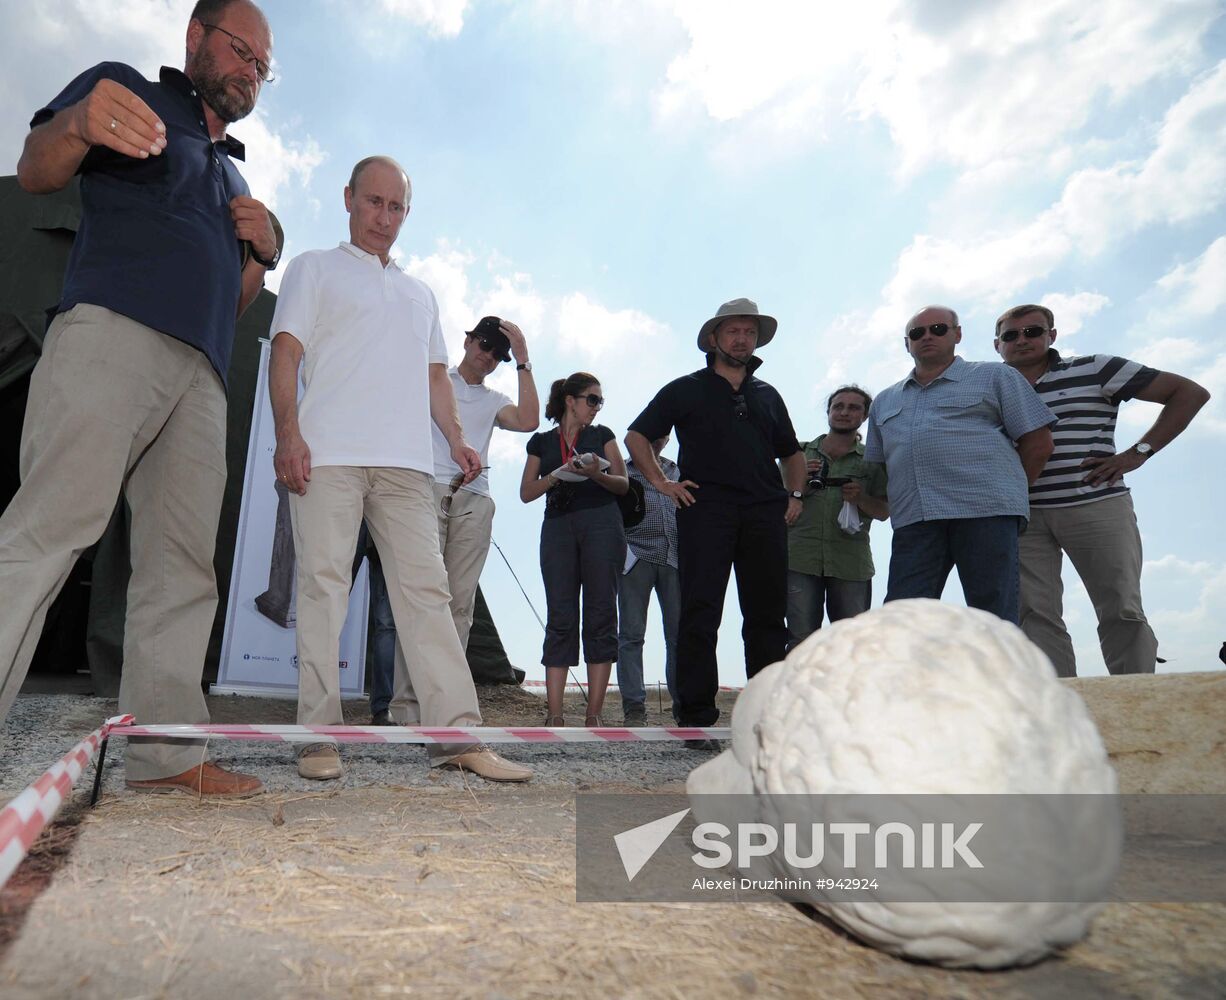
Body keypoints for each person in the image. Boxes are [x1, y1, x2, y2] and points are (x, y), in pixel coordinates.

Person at [0, 0, 278, 797]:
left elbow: (227, 301)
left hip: (202, 374)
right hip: (113, 331)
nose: (250, 72)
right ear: (196, 38)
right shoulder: (126, 91)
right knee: (51, 528)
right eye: (240, 51)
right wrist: (79, 123)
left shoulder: (235, 176)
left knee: (183, 569)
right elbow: (34, 169)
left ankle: (165, 757)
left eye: (262, 67)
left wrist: (260, 251)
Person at [268, 155, 531, 783]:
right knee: (324, 588)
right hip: (328, 455)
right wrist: (288, 434)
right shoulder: (313, 269)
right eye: (373, 202)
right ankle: (319, 736)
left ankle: (455, 737)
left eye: (396, 207)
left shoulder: (420, 293)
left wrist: (459, 439)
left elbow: (436, 376)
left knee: (429, 598)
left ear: (406, 214)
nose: (384, 217)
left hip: (409, 469)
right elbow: (286, 352)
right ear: (349, 199)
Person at [626, 298, 805, 748]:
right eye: (733, 331)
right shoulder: (685, 389)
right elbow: (636, 435)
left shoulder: (768, 394)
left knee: (767, 616)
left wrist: (796, 494)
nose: (742, 338)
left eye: (749, 332)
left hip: (765, 512)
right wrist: (661, 483)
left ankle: (765, 720)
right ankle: (697, 719)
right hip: (706, 511)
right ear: (714, 339)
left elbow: (793, 452)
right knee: (700, 612)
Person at [995, 303, 1209, 675]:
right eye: (1011, 335)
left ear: (1052, 336)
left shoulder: (1096, 368)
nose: (1022, 341)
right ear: (998, 345)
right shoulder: (988, 386)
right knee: (1034, 614)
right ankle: (1060, 703)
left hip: (1095, 504)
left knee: (1121, 605)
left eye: (1033, 331)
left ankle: (1136, 696)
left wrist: (1137, 453)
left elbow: (1189, 393)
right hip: (1021, 514)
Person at [366, 315, 539, 725]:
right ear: (467, 340)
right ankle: (408, 709)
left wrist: (524, 360)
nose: (488, 356)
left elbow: (530, 421)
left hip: (474, 500)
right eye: (484, 344)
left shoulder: (496, 399)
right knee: (423, 600)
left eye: (498, 354)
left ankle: (442, 707)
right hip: (424, 492)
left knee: (460, 608)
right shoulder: (433, 377)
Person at [864, 305, 1056, 624]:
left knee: (992, 613)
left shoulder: (995, 375)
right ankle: (906, 677)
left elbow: (1039, 443)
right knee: (901, 615)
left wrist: (1009, 491)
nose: (927, 336)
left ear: (957, 334)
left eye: (938, 329)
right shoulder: (885, 400)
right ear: (906, 343)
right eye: (917, 333)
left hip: (985, 513)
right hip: (916, 519)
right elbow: (878, 465)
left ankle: (996, 675)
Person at [520, 373, 628, 727]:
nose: (597, 408)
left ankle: (594, 715)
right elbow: (526, 492)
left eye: (600, 402)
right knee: (560, 616)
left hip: (602, 524)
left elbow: (624, 484)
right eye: (592, 400)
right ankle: (554, 715)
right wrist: (559, 473)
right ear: (571, 400)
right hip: (558, 529)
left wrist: (596, 473)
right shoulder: (540, 441)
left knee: (600, 612)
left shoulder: (603, 435)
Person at [786, 385, 889, 647]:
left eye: (854, 407)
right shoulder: (797, 454)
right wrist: (800, 485)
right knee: (800, 640)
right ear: (828, 412)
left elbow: (884, 511)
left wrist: (860, 498)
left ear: (865, 416)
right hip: (799, 559)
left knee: (852, 644)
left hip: (850, 563)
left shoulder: (874, 460)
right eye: (838, 406)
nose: (844, 412)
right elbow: (771, 505)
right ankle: (801, 690)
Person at [616, 434, 681, 725]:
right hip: (635, 559)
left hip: (675, 557)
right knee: (630, 635)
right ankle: (634, 708)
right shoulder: (622, 471)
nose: (656, 440)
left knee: (679, 637)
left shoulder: (677, 470)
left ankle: (683, 705)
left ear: (667, 440)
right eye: (650, 435)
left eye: (662, 436)